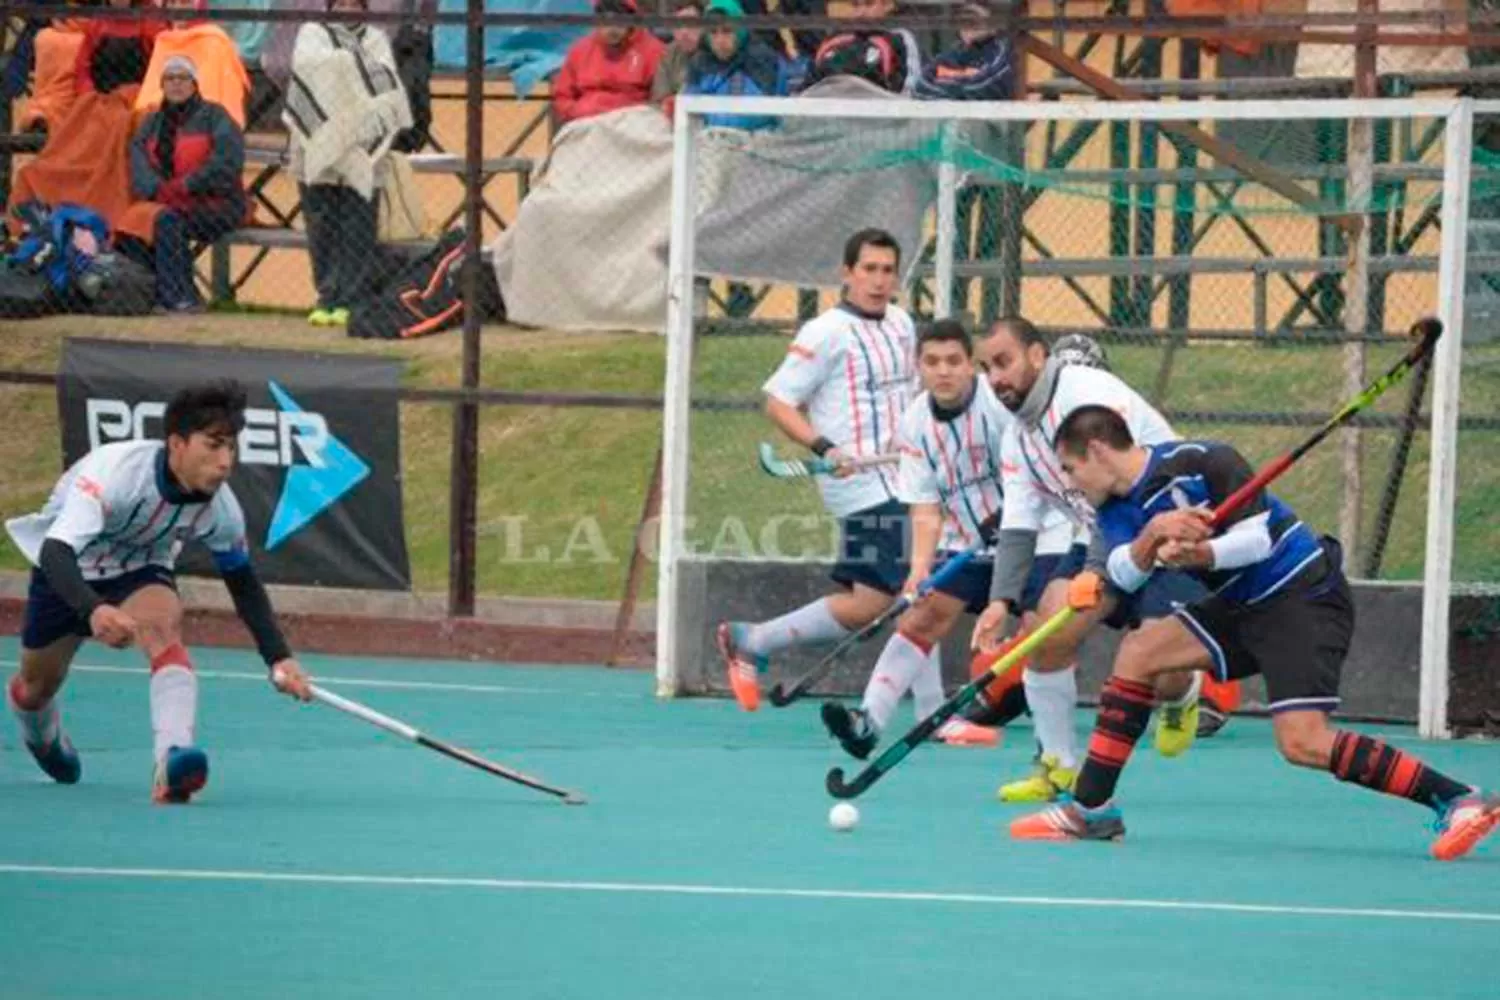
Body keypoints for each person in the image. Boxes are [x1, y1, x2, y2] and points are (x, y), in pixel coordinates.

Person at [1009, 406, 1500, 862]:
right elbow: (1122, 574)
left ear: (1096, 449)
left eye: (1070, 470)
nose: (1070, 483)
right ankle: (1092, 810)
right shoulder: (1117, 510)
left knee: (1302, 744)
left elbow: (1257, 540)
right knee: (1138, 653)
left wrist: (1201, 554)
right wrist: (1154, 534)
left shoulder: (1203, 460)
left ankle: (1458, 797)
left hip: (1300, 592)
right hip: (1242, 603)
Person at [4, 380, 314, 804]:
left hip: (140, 570)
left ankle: (172, 760)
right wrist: (94, 610)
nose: (225, 463)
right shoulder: (113, 474)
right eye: (214, 446)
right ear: (177, 444)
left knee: (165, 628)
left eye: (231, 449)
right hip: (67, 570)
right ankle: (42, 736)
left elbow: (242, 582)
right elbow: (57, 552)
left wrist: (279, 658)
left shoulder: (220, 507)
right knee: (35, 687)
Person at [968, 317, 1213, 803]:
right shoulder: (1018, 436)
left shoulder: (1089, 395)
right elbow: (1020, 522)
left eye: (1004, 362)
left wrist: (1096, 573)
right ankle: (1056, 764)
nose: (994, 378)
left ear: (1037, 356)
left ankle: (1183, 692)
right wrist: (1002, 602)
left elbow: (1120, 497)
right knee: (1048, 627)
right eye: (987, 367)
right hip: (1101, 533)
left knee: (1159, 669)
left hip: (1168, 533)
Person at [818, 319, 1073, 756]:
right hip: (966, 543)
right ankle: (868, 721)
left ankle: (1051, 752)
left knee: (1041, 632)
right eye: (932, 362)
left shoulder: (998, 409)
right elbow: (924, 505)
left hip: (1032, 536)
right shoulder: (915, 422)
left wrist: (1008, 512)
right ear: (918, 367)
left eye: (954, 361)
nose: (944, 371)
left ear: (970, 365)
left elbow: (1031, 468)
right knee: (919, 616)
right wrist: (919, 569)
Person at [716, 228, 940, 719]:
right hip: (860, 487)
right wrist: (825, 446)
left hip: (905, 477)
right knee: (920, 587)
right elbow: (779, 402)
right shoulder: (824, 332)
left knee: (869, 603)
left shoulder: (902, 323)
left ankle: (751, 638)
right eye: (869, 270)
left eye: (888, 271)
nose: (880, 281)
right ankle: (934, 715)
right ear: (847, 273)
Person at [128, 55, 247, 313]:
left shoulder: (215, 116)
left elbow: (227, 163)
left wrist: (187, 185)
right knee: (136, 221)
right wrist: (157, 189)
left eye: (183, 78)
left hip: (217, 205)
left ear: (195, 84)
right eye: (170, 78)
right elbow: (137, 162)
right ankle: (172, 294)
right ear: (162, 85)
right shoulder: (151, 123)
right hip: (169, 205)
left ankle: (176, 298)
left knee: (169, 222)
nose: (176, 84)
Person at [552, 0, 665, 126]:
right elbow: (562, 95)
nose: (612, 29)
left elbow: (662, 99)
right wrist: (575, 112)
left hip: (633, 125)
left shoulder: (654, 50)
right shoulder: (580, 50)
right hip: (586, 123)